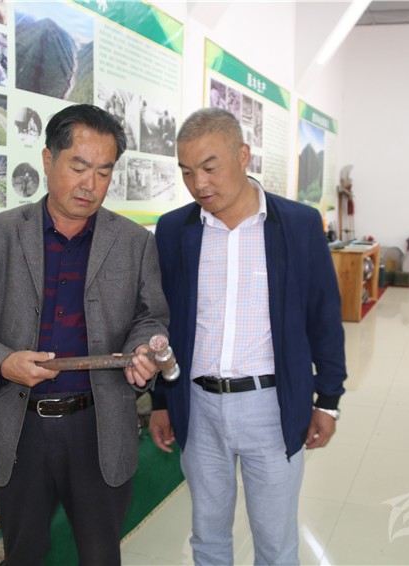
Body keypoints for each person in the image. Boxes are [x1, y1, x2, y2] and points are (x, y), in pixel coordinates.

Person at [0, 104, 169, 565]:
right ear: (49, 160)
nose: (90, 184)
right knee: (24, 554)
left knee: (101, 555)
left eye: (104, 172)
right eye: (79, 167)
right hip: (20, 427)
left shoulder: (134, 242)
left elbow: (150, 317)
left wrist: (142, 348)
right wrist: (2, 361)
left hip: (98, 426)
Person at [149, 107, 347, 565]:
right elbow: (163, 322)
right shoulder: (175, 230)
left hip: (271, 407)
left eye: (209, 167)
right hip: (198, 406)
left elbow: (323, 316)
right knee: (207, 537)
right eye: (187, 171)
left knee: (275, 544)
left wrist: (328, 399)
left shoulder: (297, 224)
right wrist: (161, 400)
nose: (199, 184)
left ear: (243, 155)